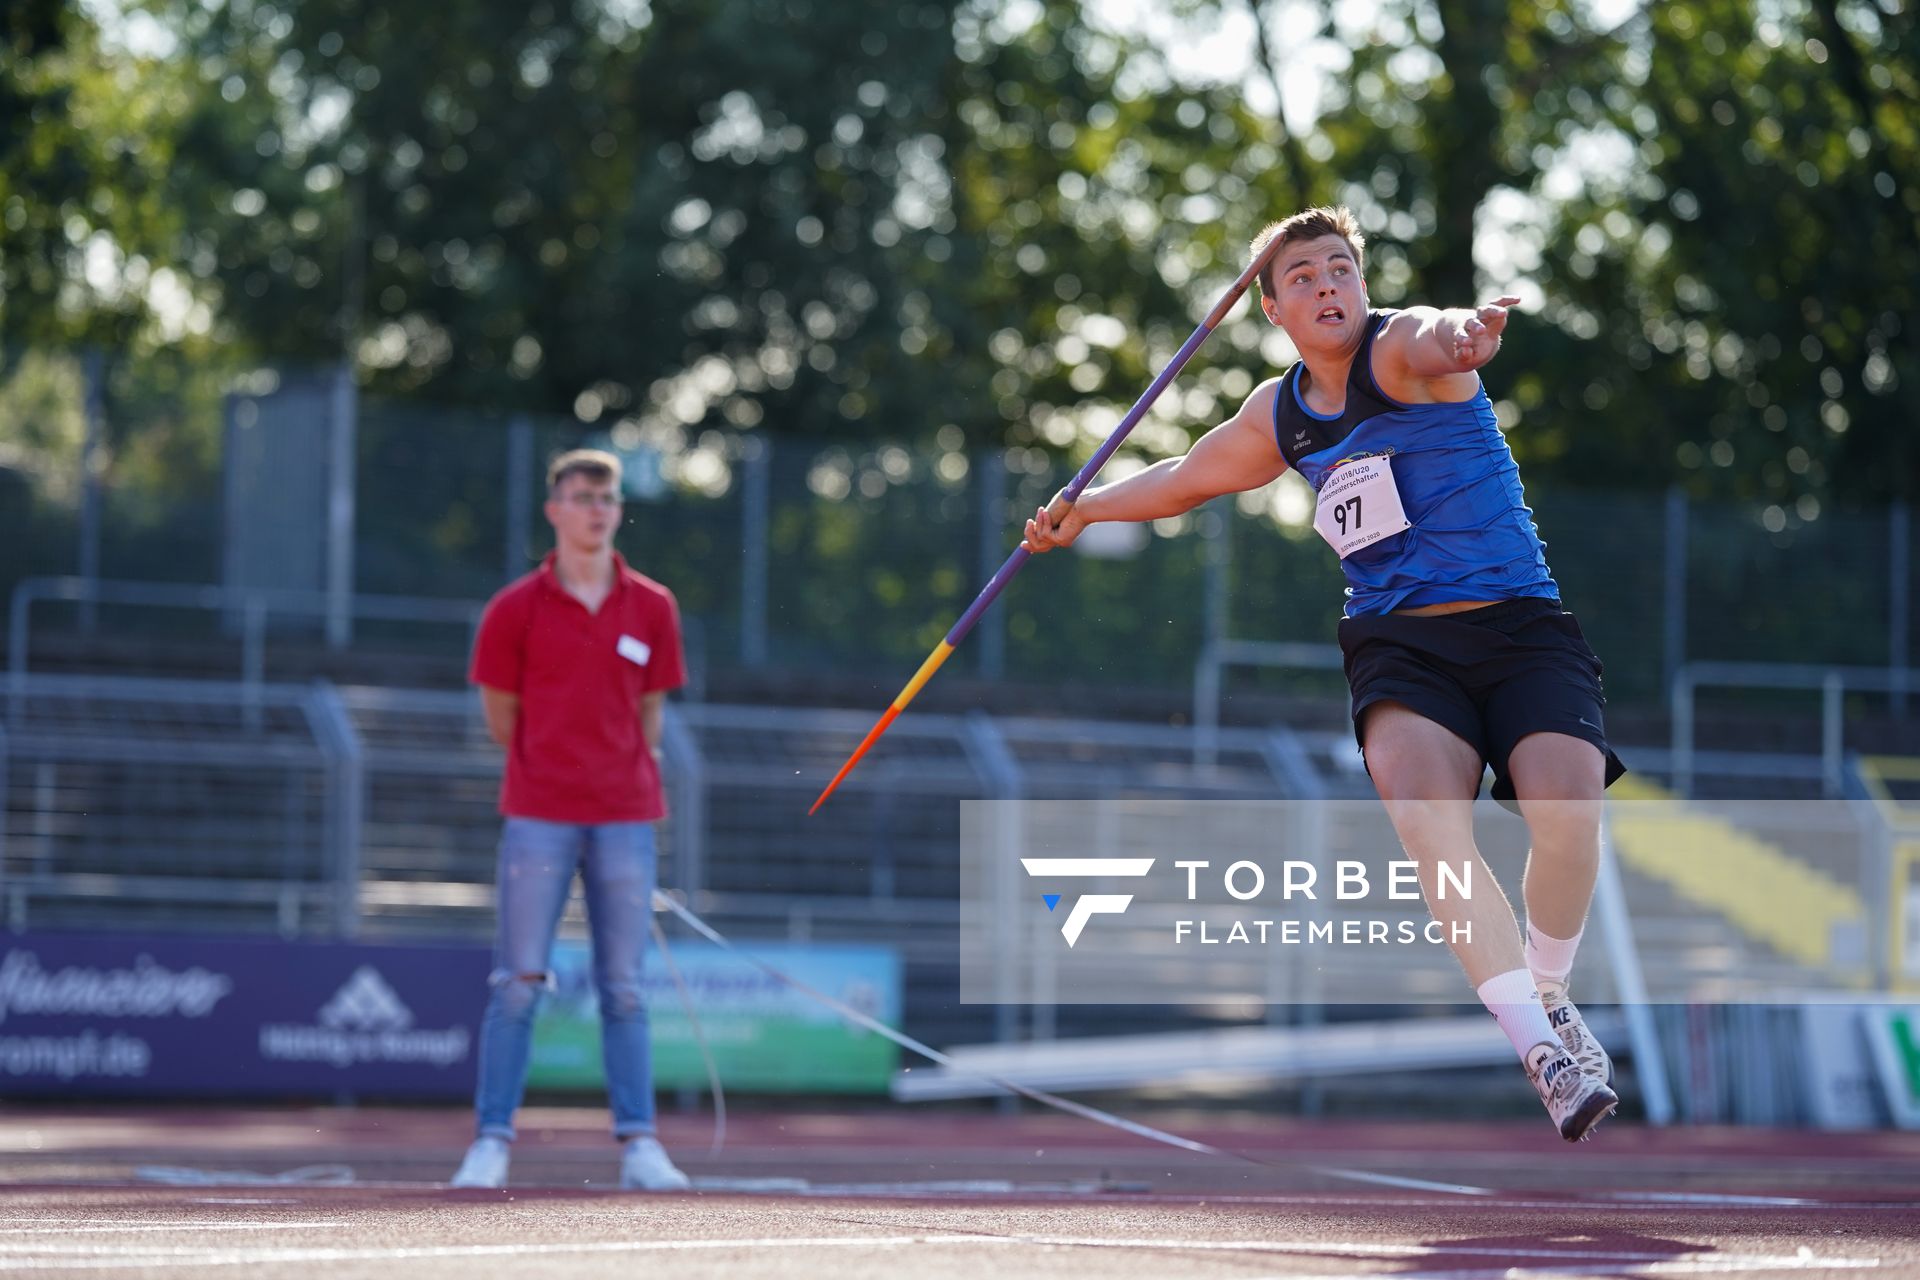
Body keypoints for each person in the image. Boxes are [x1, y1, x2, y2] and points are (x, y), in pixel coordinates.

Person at [1022, 206, 1625, 1142]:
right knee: (1431, 827)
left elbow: (1439, 336)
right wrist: (1084, 510)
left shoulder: (1401, 353)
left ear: (1364, 284)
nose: (1326, 286)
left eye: (1340, 268)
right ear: (1271, 308)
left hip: (1519, 629)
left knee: (1569, 818)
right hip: (1400, 648)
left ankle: (1547, 990)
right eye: (1301, 277)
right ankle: (1540, 1052)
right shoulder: (1283, 412)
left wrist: (1467, 331)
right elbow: (1187, 475)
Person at [449, 448, 693, 1190]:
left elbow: (651, 713)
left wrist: (622, 776)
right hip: (539, 813)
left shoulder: (653, 605)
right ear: (554, 509)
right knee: (519, 981)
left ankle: (640, 1145)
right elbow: (501, 717)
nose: (596, 508)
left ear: (619, 511)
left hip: (625, 815)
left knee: (623, 986)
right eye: (582, 495)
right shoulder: (513, 609)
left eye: (607, 497)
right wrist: (556, 768)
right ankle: (491, 1139)